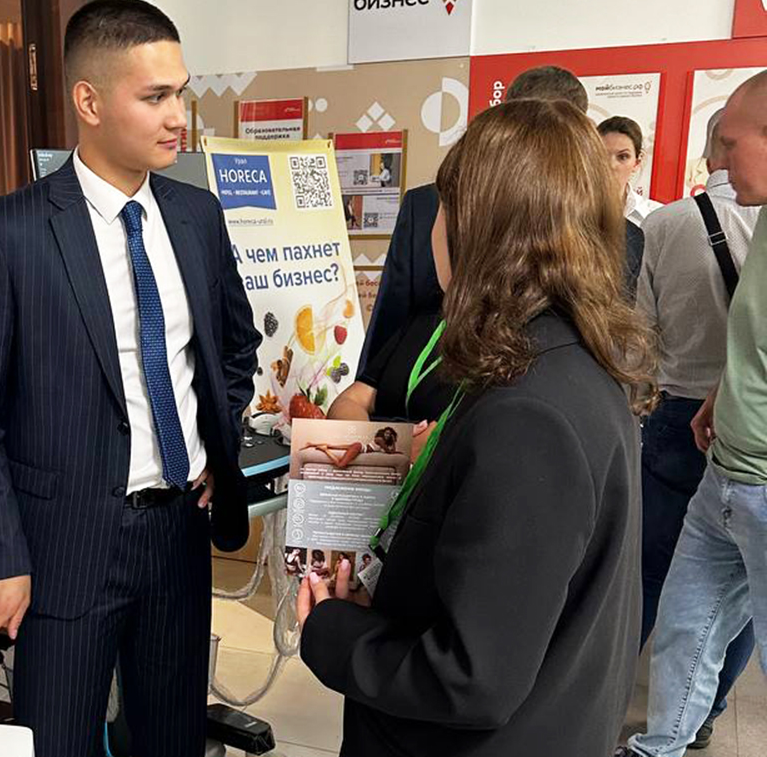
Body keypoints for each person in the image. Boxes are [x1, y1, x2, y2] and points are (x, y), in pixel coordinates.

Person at [0, 0, 261, 757]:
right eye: (155, 97)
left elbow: (233, 348)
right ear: (89, 101)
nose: (178, 117)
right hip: (64, 546)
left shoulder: (196, 217)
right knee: (56, 741)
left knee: (169, 738)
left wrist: (213, 445)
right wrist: (1, 557)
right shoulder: (5, 235)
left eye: (181, 92)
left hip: (177, 530)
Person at [297, 98, 654, 757]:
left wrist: (331, 632)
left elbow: (471, 679)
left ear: (473, 226)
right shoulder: (564, 360)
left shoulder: (528, 414)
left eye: (442, 206)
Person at [620, 70, 767, 757]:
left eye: (732, 144)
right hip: (719, 460)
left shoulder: (663, 224)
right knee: (687, 621)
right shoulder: (762, 221)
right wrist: (722, 391)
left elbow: (643, 334)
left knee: (665, 587)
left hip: (755, 476)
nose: (721, 161)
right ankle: (662, 744)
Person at [356, 65, 643, 370]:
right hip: (430, 380)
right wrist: (369, 383)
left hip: (519, 384)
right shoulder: (429, 203)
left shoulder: (623, 235)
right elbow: (394, 312)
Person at [600, 115, 663, 228]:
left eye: (623, 157)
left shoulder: (657, 217)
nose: (611, 165)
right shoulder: (570, 212)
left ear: (637, 162)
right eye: (602, 154)